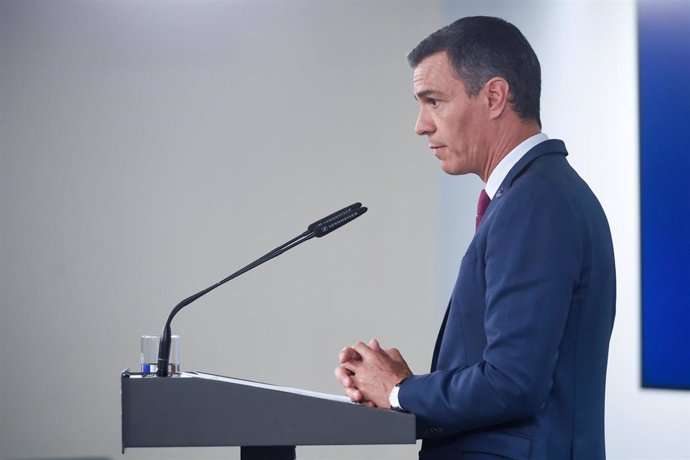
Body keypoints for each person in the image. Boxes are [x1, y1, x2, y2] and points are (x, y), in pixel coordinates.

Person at [335, 16, 616, 460]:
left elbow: (512, 383)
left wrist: (401, 392)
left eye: (433, 101)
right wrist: (407, 393)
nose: (421, 125)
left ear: (494, 96)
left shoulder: (535, 202)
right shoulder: (534, 194)